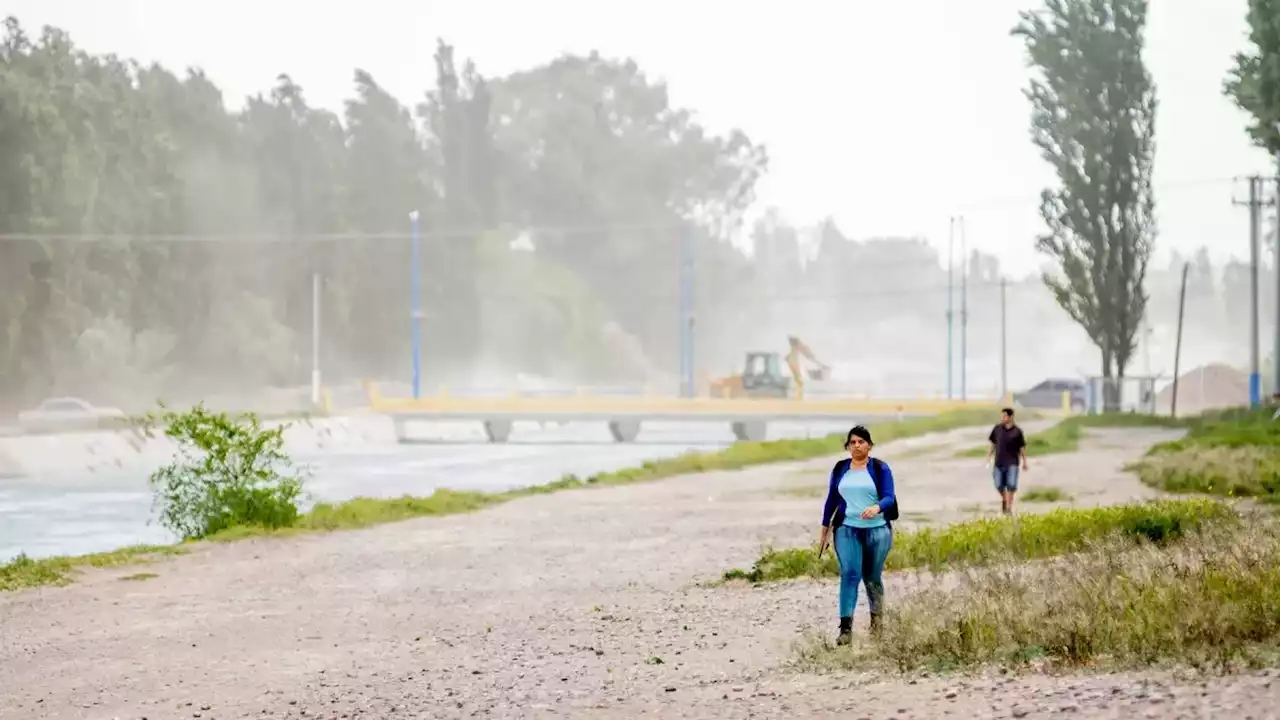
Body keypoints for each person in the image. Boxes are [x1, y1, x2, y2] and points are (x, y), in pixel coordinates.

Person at [817, 425, 898, 646]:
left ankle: (877, 623)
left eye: (861, 442)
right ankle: (845, 629)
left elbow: (890, 497)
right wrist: (824, 532)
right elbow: (831, 500)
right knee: (850, 574)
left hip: (878, 530)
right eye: (852, 442)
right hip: (847, 529)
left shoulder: (880, 468)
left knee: (872, 577)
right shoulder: (840, 468)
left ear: (869, 445)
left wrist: (877, 507)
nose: (856, 446)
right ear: (847, 446)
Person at [985, 407, 1028, 515]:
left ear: (1011, 417)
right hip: (999, 462)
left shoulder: (1017, 432)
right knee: (999, 485)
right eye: (1002, 416)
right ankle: (1005, 499)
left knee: (1011, 485)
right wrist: (988, 457)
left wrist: (1025, 462)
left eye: (1005, 416)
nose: (1002, 418)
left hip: (1013, 462)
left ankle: (1008, 508)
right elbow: (993, 444)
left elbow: (1022, 447)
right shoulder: (997, 429)